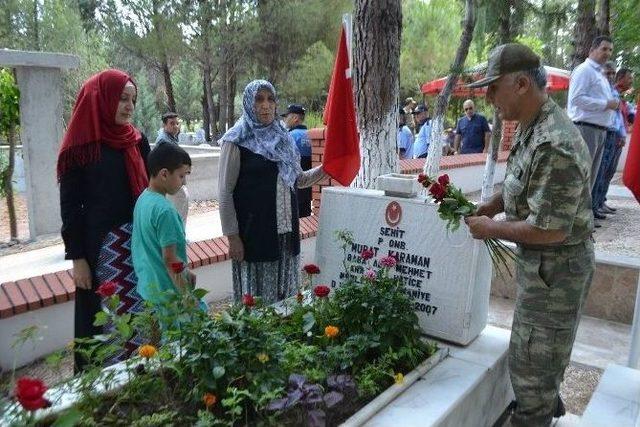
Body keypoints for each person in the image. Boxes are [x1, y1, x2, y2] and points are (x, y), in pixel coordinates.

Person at [464, 43, 594, 427]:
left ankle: (534, 416)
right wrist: (493, 203)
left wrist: (491, 228)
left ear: (521, 84)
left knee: (533, 367)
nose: (488, 97)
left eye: (493, 88)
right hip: (541, 272)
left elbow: (550, 230)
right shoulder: (530, 125)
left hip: (556, 274)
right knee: (533, 356)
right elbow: (523, 184)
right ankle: (544, 404)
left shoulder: (556, 143)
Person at [57, 69, 150, 370]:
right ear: (101, 98)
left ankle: (142, 376)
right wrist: (77, 258)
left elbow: (151, 193)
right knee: (106, 320)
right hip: (102, 251)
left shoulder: (137, 141)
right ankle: (107, 388)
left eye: (133, 100)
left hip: (138, 245)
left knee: (141, 313)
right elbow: (70, 207)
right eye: (122, 99)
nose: (128, 106)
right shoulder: (81, 146)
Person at [218, 80, 327, 304]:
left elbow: (299, 180)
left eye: (270, 99)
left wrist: (327, 169)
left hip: (287, 234)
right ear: (249, 103)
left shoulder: (284, 139)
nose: (266, 105)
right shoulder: (236, 140)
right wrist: (233, 237)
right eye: (259, 99)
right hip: (255, 236)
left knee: (285, 300)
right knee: (258, 304)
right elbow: (224, 192)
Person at [132, 143, 196, 307]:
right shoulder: (165, 211)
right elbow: (170, 260)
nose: (184, 182)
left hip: (149, 290)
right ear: (164, 174)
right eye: (181, 176)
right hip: (170, 296)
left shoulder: (143, 199)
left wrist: (186, 272)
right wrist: (188, 298)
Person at [567, 35, 619, 192]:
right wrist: (606, 104)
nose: (607, 53)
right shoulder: (585, 70)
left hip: (599, 131)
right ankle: (574, 215)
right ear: (592, 50)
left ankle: (582, 214)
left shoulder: (600, 74)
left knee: (589, 180)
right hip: (586, 129)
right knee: (580, 177)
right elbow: (576, 99)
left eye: (610, 50)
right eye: (604, 49)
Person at [591, 63, 626, 225]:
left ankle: (599, 203)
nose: (611, 75)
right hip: (604, 132)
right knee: (597, 173)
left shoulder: (613, 91)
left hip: (613, 133)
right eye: (608, 72)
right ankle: (592, 208)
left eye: (613, 73)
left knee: (606, 172)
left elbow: (618, 117)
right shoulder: (604, 91)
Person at [155, 112, 189, 225]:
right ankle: (179, 238)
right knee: (178, 211)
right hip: (172, 182)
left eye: (176, 123)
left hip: (175, 182)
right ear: (164, 125)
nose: (175, 126)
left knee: (179, 210)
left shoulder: (170, 138)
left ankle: (180, 236)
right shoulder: (164, 141)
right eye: (172, 123)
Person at [282, 104, 312, 218]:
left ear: (295, 118)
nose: (284, 119)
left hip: (293, 187)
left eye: (286, 116)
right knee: (306, 217)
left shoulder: (289, 136)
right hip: (309, 186)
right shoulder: (311, 135)